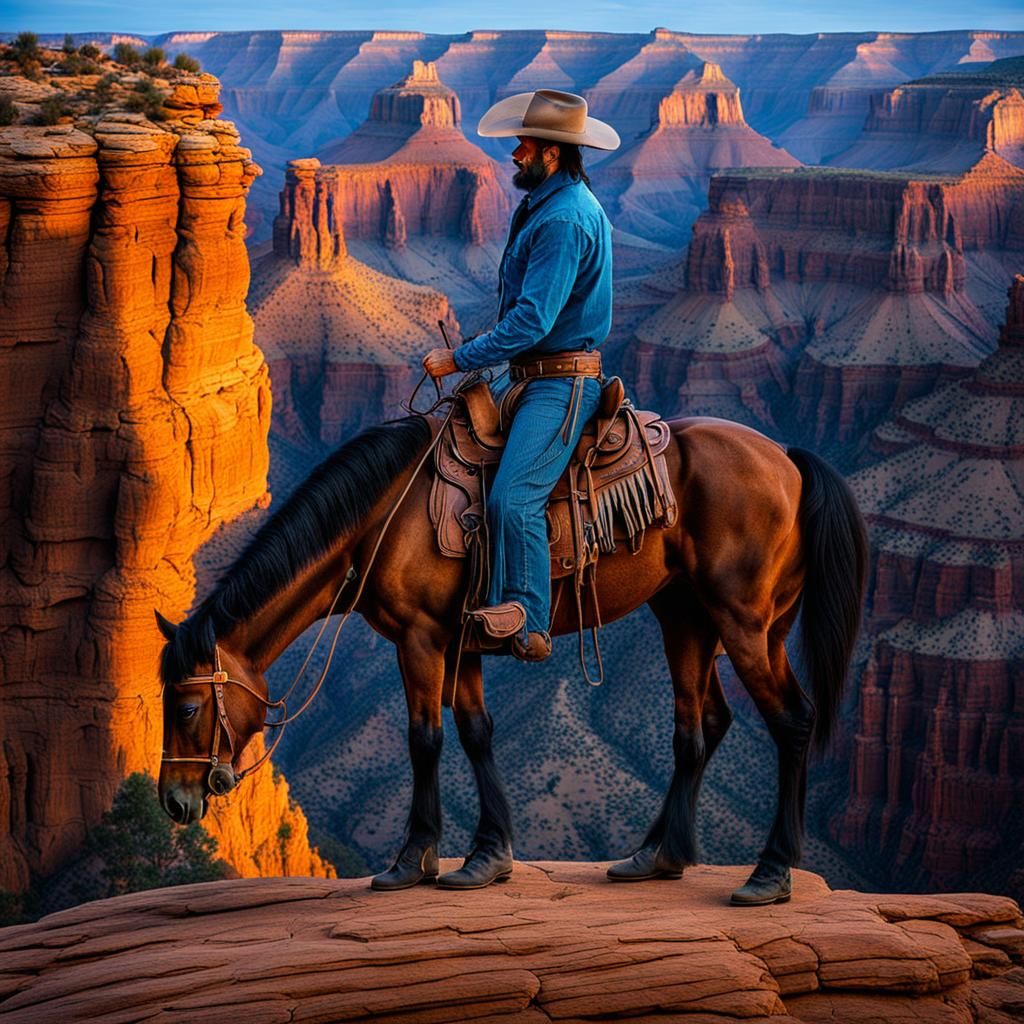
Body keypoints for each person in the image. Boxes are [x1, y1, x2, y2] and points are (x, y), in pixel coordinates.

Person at [423, 89, 620, 662]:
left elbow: (533, 319)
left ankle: (528, 621)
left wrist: (459, 358)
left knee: (512, 497)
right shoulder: (548, 204)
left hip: (560, 384)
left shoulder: (564, 219)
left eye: (524, 143)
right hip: (530, 376)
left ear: (552, 154)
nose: (514, 152)